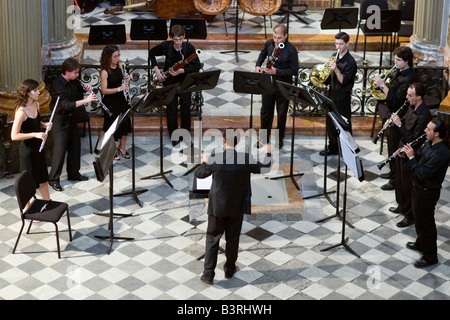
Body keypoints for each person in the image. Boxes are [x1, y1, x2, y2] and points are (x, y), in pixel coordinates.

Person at [195, 129, 272, 285]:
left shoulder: (215, 159)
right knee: (233, 239)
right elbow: (266, 167)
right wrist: (268, 153)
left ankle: (208, 274)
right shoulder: (246, 159)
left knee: (212, 240)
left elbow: (199, 174)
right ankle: (230, 269)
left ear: (223, 141)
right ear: (238, 142)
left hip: (218, 207)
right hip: (237, 206)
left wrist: (204, 161)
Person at [403, 119, 449, 268]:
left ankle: (430, 256)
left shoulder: (441, 153)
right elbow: (419, 157)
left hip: (427, 193)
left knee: (426, 224)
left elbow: (423, 173)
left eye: (428, 129)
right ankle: (420, 243)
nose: (425, 131)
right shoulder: (429, 144)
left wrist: (411, 158)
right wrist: (407, 155)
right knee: (419, 220)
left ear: (436, 134)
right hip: (418, 189)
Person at [48, 58, 97, 192]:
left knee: (75, 146)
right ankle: (53, 179)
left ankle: (74, 173)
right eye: (75, 72)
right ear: (66, 72)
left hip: (71, 119)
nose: (77, 75)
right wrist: (86, 100)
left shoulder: (73, 81)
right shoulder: (57, 85)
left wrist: (84, 88)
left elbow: (76, 92)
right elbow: (66, 105)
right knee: (60, 150)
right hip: (60, 120)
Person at [149, 25, 201, 147]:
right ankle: (174, 136)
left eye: (181, 39)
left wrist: (182, 71)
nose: (178, 42)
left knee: (186, 108)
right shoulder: (166, 46)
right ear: (171, 38)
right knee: (171, 109)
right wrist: (156, 69)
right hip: (170, 82)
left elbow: (196, 66)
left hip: (185, 81)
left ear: (184, 37)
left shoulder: (189, 48)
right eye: (176, 39)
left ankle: (185, 135)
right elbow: (151, 53)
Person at [389, 82, 431, 228]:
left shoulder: (424, 115)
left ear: (419, 97)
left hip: (412, 151)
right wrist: (395, 123)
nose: (407, 98)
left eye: (410, 95)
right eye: (407, 94)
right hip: (402, 146)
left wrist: (399, 124)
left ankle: (409, 215)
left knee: (407, 185)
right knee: (399, 181)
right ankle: (401, 206)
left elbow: (413, 139)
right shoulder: (411, 106)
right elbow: (406, 122)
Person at [374, 46, 415, 191]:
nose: (395, 62)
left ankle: (394, 180)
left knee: (394, 148)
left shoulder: (409, 77)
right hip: (392, 113)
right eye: (395, 59)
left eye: (398, 60)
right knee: (390, 146)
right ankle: (392, 173)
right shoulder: (399, 71)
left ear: (407, 61)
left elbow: (396, 99)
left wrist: (382, 85)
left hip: (400, 116)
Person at [255, 24, 299, 149]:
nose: (276, 40)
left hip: (283, 86)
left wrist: (277, 72)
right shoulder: (269, 43)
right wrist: (258, 65)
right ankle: (264, 138)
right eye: (274, 37)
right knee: (265, 112)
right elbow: (262, 54)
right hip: (268, 84)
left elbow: (294, 71)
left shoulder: (291, 50)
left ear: (285, 36)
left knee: (281, 114)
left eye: (279, 38)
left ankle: (279, 139)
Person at [11, 79, 52, 206]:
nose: (38, 92)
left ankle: (48, 204)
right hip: (27, 152)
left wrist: (44, 124)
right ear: (27, 93)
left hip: (38, 149)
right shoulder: (21, 112)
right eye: (35, 90)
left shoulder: (36, 104)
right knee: (28, 184)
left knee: (43, 180)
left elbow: (34, 123)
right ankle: (27, 210)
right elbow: (14, 135)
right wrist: (35, 134)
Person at [318, 32, 357, 156]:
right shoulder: (334, 55)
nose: (338, 47)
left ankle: (348, 149)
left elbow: (344, 81)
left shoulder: (351, 62)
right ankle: (333, 146)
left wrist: (335, 69)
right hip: (332, 93)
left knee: (343, 123)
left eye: (340, 44)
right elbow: (331, 76)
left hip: (342, 96)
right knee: (330, 121)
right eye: (336, 44)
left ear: (347, 44)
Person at [100, 45, 132, 160]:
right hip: (110, 102)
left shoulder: (120, 65)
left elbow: (122, 79)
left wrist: (127, 78)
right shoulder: (104, 71)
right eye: (115, 56)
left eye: (118, 55)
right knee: (111, 127)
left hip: (120, 100)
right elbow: (104, 90)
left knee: (125, 124)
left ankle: (122, 147)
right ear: (108, 58)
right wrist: (119, 88)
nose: (118, 58)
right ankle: (112, 149)